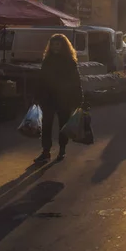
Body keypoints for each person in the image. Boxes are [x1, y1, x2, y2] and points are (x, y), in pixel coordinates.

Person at [35, 34, 83, 163]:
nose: (55, 47)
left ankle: (62, 149)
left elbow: (76, 81)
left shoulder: (70, 62)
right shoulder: (47, 60)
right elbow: (41, 79)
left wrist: (79, 99)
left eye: (58, 44)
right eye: (53, 44)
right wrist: (37, 96)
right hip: (48, 98)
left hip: (64, 98)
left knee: (63, 126)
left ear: (64, 46)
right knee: (46, 125)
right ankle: (46, 151)